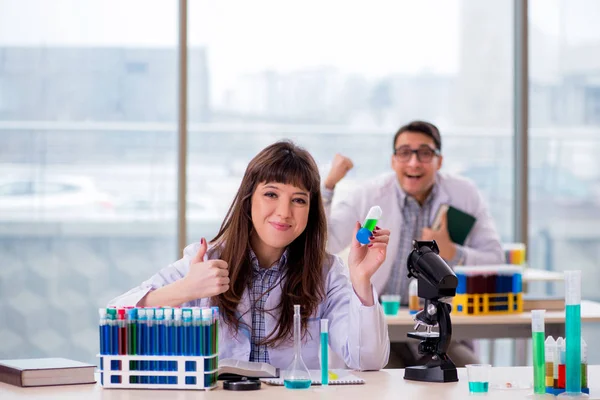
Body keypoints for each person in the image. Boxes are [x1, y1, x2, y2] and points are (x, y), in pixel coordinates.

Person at [109, 140, 390, 371]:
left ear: (311, 211)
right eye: (271, 194)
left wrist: (361, 279)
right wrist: (185, 290)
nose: (284, 212)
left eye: (299, 200)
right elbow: (116, 319)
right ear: (248, 199)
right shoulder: (205, 260)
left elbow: (368, 359)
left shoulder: (327, 272)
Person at [322, 120, 504, 367]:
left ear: (439, 161)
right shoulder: (369, 195)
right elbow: (326, 242)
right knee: (386, 384)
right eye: (404, 153)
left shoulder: (465, 193)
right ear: (393, 160)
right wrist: (328, 186)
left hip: (438, 328)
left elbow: (495, 259)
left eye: (425, 153)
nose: (414, 162)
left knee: (468, 375)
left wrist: (453, 252)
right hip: (384, 326)